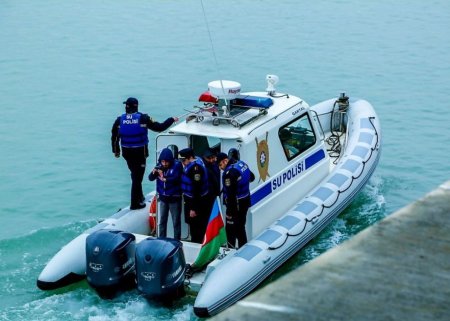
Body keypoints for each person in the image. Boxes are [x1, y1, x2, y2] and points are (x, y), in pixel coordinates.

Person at [111, 97, 178, 210]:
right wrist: (171, 119)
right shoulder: (143, 118)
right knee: (138, 178)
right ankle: (135, 204)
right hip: (140, 153)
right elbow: (160, 128)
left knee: (134, 174)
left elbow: (114, 137)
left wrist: (116, 151)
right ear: (136, 106)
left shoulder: (119, 120)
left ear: (126, 107)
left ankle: (140, 197)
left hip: (127, 153)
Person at [218, 150, 255, 249]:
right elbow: (252, 177)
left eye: (220, 165)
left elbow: (231, 195)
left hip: (236, 205)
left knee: (230, 230)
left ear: (225, 161)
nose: (221, 168)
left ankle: (230, 250)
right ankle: (244, 248)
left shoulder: (229, 173)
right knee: (241, 227)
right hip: (245, 200)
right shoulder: (241, 164)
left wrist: (230, 213)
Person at [148, 147, 183, 239]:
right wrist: (153, 172)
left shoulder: (177, 165)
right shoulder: (159, 166)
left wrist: (165, 179)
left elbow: (177, 179)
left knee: (176, 222)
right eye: (163, 161)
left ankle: (177, 240)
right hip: (163, 198)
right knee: (162, 221)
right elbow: (150, 178)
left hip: (174, 198)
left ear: (170, 160)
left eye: (166, 162)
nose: (164, 164)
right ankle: (161, 239)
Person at [179, 147, 209, 243]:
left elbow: (197, 189)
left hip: (196, 202)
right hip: (189, 199)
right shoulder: (195, 162)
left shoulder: (196, 169)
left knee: (196, 226)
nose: (183, 163)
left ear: (191, 158)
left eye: (184, 160)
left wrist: (193, 208)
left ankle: (197, 243)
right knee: (192, 224)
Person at [202, 148, 221, 216]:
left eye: (213, 157)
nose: (211, 160)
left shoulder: (215, 164)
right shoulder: (205, 168)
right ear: (204, 157)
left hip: (216, 194)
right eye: (209, 158)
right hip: (210, 196)